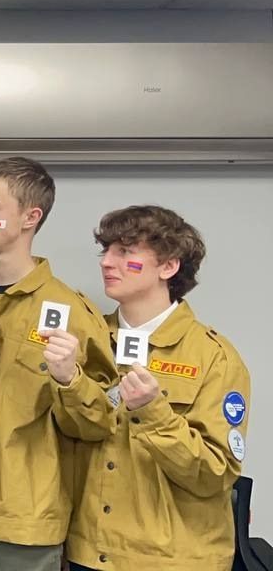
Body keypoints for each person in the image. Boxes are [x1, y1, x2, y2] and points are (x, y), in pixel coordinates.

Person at [0, 157, 117, 571]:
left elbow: (99, 426)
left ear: (31, 217)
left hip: (24, 523)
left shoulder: (72, 312)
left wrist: (70, 380)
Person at [67, 205, 250, 571]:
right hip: (86, 553)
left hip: (171, 561)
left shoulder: (215, 357)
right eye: (106, 250)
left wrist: (153, 412)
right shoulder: (85, 340)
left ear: (168, 267)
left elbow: (215, 473)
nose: (107, 262)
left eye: (125, 251)